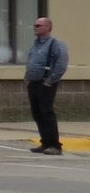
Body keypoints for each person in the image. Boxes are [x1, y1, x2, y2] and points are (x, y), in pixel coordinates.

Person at [25, 15, 69, 155]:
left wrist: (50, 81)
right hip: (33, 83)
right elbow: (31, 61)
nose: (35, 28)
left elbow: (61, 64)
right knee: (37, 113)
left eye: (38, 25)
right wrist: (27, 78)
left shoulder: (56, 44)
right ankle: (45, 142)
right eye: (35, 25)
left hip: (46, 83)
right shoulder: (36, 44)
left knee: (46, 113)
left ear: (48, 27)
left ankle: (55, 145)